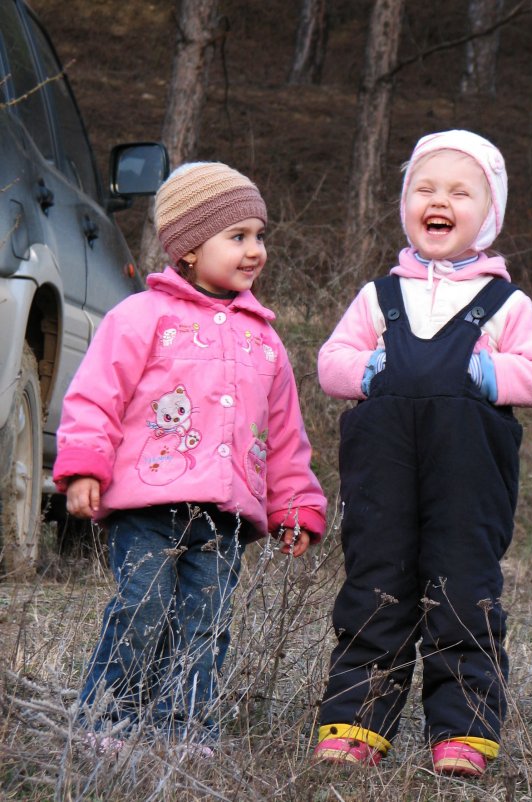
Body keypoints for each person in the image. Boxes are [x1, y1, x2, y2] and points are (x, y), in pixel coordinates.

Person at [53, 161, 327, 758]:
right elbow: (96, 397)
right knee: (141, 608)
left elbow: (282, 435)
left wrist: (296, 504)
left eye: (259, 236)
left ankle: (184, 728)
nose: (254, 250)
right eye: (237, 237)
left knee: (205, 624)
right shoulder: (140, 319)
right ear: (186, 249)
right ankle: (110, 721)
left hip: (223, 515)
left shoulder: (265, 340)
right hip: (147, 505)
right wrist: (82, 467)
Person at [313, 130, 532, 776]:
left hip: (466, 487)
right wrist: (367, 370)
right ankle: (355, 724)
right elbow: (329, 362)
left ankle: (462, 733)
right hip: (381, 483)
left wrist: (492, 377)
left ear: (489, 215)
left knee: (462, 593)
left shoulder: (504, 305)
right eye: (423, 188)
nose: (438, 200)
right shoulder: (378, 299)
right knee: (376, 589)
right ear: (405, 205)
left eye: (459, 191)